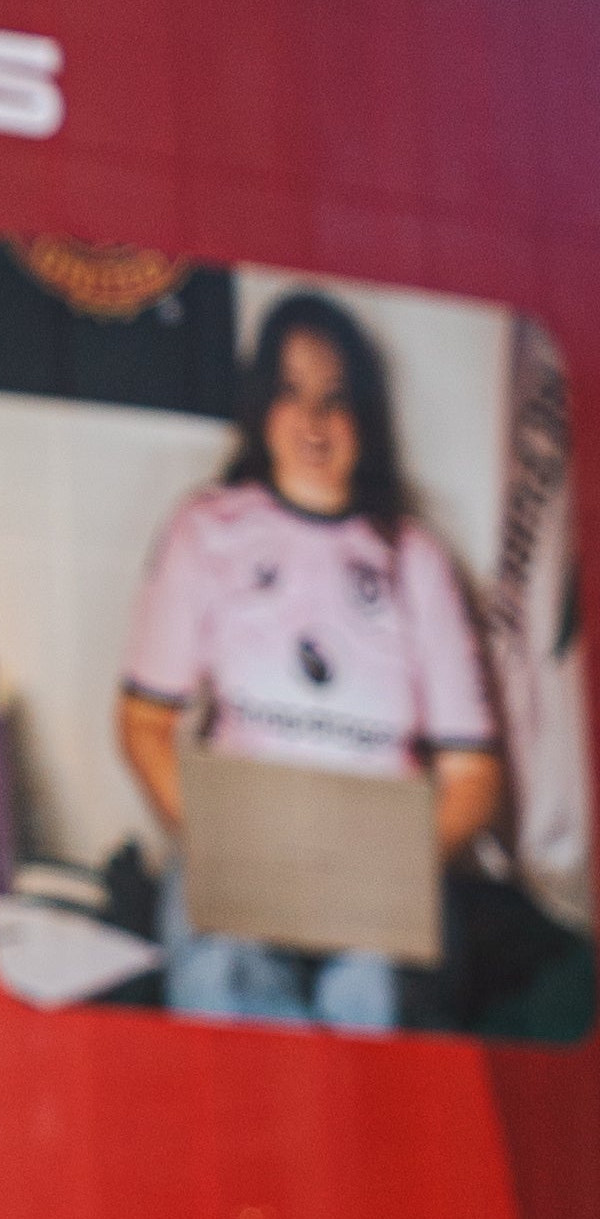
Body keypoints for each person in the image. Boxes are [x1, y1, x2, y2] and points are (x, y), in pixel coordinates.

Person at [119, 290, 501, 1032]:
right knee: (227, 990)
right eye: (291, 393)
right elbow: (142, 721)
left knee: (373, 1005)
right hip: (243, 854)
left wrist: (396, 870)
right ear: (263, 406)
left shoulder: (415, 559)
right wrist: (216, 840)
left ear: (366, 414)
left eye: (335, 398)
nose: (314, 422)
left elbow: (473, 774)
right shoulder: (206, 531)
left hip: (380, 873)